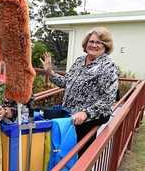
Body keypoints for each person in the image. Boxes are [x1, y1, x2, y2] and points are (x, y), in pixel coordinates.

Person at [41, 27, 118, 156]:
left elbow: (107, 100)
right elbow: (67, 82)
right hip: (69, 114)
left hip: (86, 119)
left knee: (80, 157)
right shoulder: (79, 61)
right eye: (91, 41)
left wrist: (86, 113)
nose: (93, 45)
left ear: (105, 45)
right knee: (62, 152)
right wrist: (50, 73)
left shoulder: (108, 66)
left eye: (98, 42)